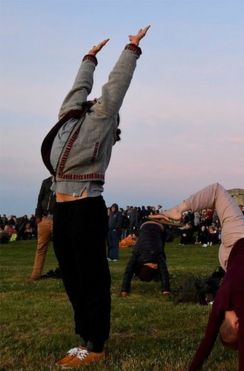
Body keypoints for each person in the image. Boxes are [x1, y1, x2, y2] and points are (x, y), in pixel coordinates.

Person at [40, 26, 150, 368]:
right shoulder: (70, 116)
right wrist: (89, 57)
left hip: (87, 206)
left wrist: (131, 49)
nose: (92, 100)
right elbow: (79, 88)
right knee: (71, 276)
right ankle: (83, 338)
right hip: (62, 208)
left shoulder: (101, 118)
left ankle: (96, 344)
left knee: (92, 277)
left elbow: (116, 85)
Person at [151, 182, 244, 371]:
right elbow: (207, 341)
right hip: (228, 260)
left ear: (237, 324)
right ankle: (180, 210)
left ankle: (178, 210)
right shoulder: (219, 304)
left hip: (239, 238)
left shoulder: (241, 300)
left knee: (217, 191)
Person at [119, 220, 171, 296]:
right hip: (144, 226)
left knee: (161, 251)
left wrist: (166, 290)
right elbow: (128, 271)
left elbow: (164, 271)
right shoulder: (137, 254)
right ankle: (158, 277)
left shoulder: (155, 255)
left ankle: (158, 277)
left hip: (158, 227)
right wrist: (124, 290)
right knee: (161, 251)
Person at [28, 177, 56, 281]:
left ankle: (65, 274)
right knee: (41, 248)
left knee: (62, 249)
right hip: (44, 219)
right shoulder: (46, 182)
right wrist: (38, 217)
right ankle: (35, 275)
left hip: (58, 219)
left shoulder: (64, 181)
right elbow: (40, 199)